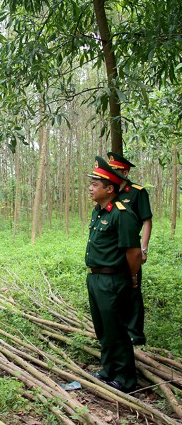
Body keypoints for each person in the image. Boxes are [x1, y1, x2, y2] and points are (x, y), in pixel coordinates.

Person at [86, 156, 142, 393]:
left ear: (110, 189)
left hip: (113, 279)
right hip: (96, 277)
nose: (90, 188)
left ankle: (126, 378)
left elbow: (134, 253)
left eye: (96, 185)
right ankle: (108, 370)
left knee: (117, 329)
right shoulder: (98, 212)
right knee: (103, 328)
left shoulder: (122, 214)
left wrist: (130, 278)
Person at [107, 151, 153, 346]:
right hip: (113, 250)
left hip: (131, 248)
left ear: (124, 172)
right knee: (116, 290)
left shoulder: (137, 192)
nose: (112, 173)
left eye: (115, 170)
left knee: (133, 289)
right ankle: (120, 329)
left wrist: (143, 248)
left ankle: (136, 334)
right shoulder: (111, 191)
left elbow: (147, 221)